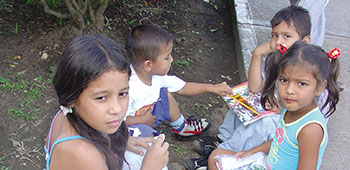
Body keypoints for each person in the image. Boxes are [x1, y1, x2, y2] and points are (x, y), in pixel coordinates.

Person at [184, 5, 321, 170]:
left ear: (304, 41)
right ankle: (222, 143)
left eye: (287, 36)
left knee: (263, 123)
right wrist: (257, 54)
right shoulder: (276, 58)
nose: (278, 41)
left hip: (279, 122)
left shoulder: (308, 70)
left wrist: (283, 109)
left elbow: (305, 109)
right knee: (243, 96)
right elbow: (255, 87)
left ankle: (228, 155)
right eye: (275, 35)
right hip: (277, 113)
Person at [208, 40, 340, 170]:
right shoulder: (290, 108)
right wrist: (250, 153)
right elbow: (279, 141)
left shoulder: (310, 129)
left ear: (320, 87)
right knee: (216, 156)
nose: (289, 90)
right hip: (267, 164)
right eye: (284, 80)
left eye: (302, 84)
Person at [44, 34, 169, 170]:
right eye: (102, 98)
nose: (117, 109)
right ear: (72, 98)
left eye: (122, 94)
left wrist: (124, 141)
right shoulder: (83, 153)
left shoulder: (69, 114)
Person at [124, 24, 232, 141]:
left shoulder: (157, 76)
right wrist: (142, 121)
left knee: (165, 94)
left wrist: (212, 88)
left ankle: (181, 127)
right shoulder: (128, 88)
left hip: (147, 113)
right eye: (167, 57)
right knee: (147, 139)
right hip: (129, 127)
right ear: (149, 65)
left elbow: (182, 87)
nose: (171, 59)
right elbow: (116, 121)